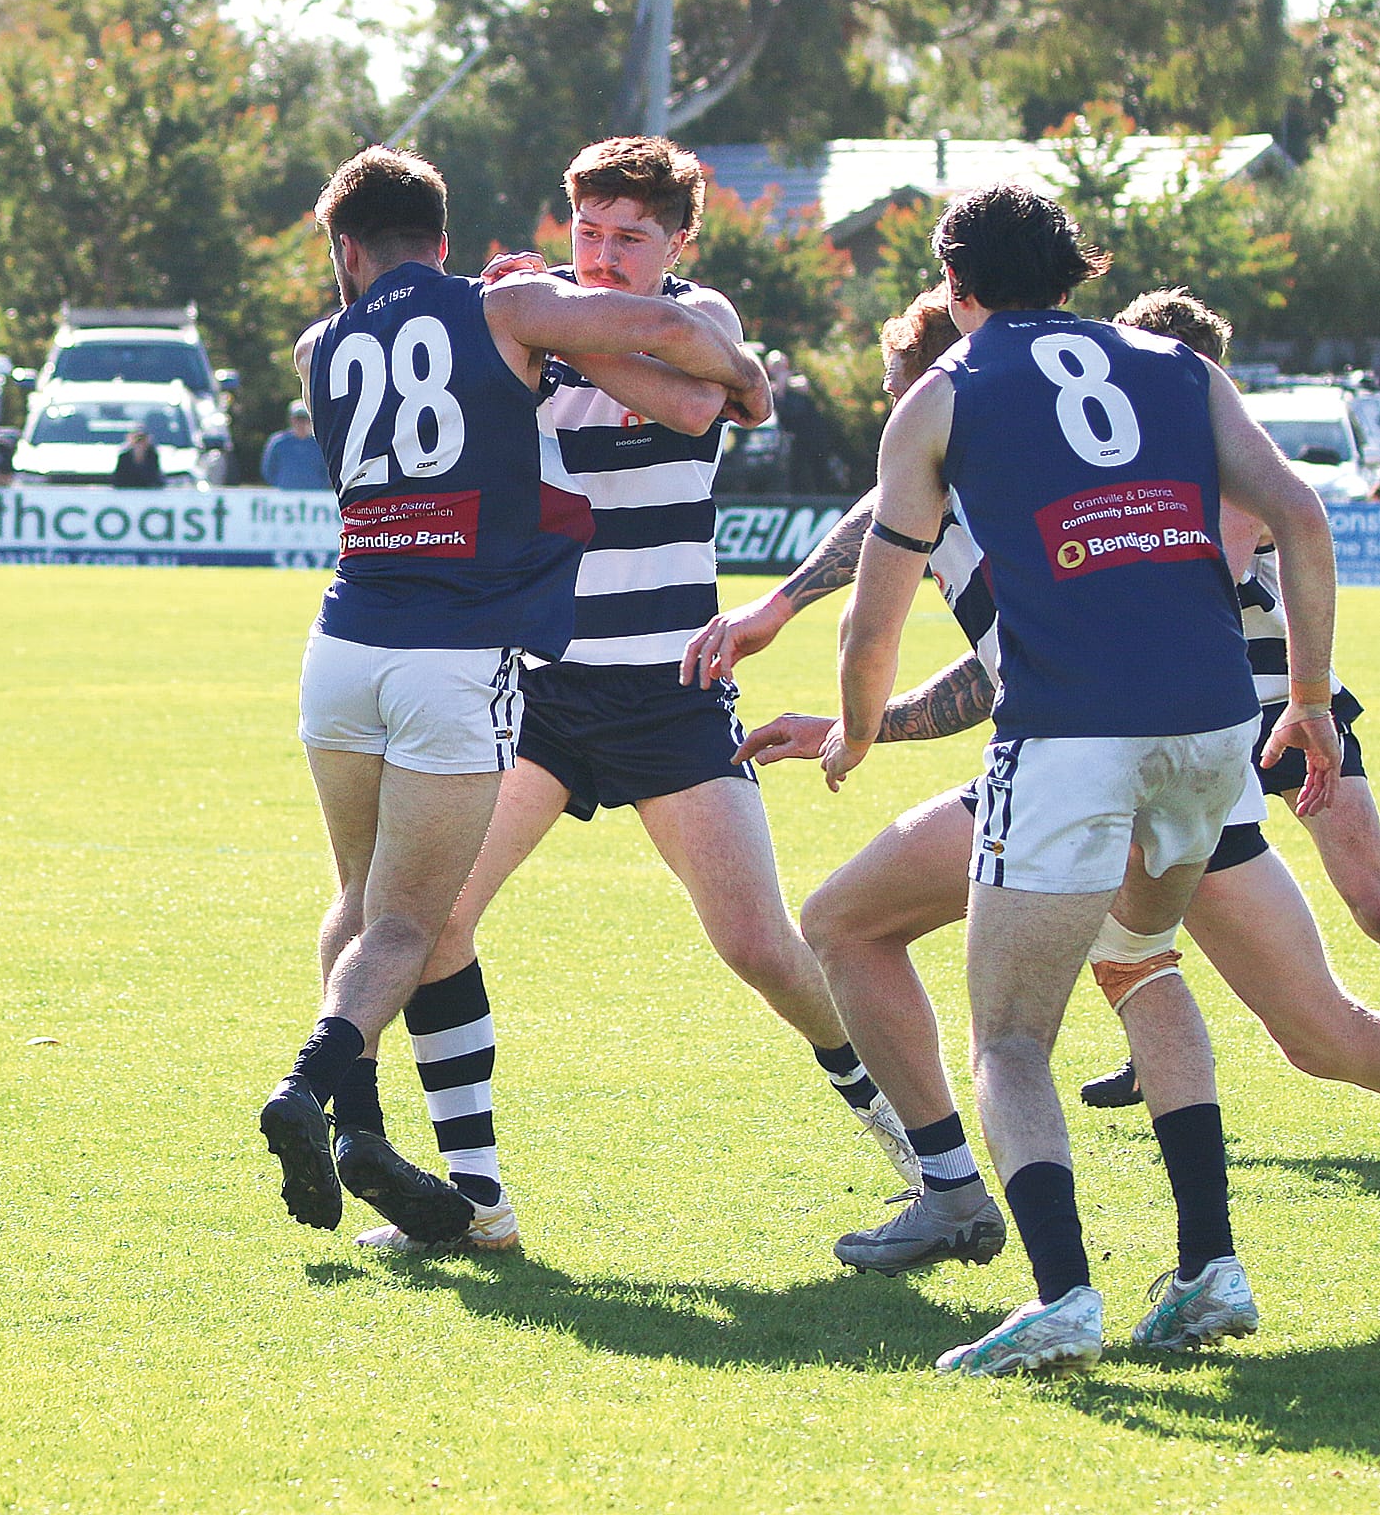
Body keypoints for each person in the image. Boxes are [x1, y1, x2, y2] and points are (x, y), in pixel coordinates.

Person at [710, 184, 1339, 1377]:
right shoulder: (1174, 363)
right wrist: (1304, 701)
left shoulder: (943, 396)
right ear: (1074, 272)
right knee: (1138, 958)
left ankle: (1059, 1296)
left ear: (955, 287)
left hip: (1067, 742)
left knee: (1006, 1036)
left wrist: (849, 734)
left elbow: (873, 626)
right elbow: (1299, 517)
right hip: (1212, 730)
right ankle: (1207, 1267)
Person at [337, 136, 918, 1258]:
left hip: (668, 691)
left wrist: (554, 322)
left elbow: (697, 409)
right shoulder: (530, 311)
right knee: (436, 919)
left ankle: (916, 1153)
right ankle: (475, 1205)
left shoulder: (701, 316)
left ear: (678, 246)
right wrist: (535, 316)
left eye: (628, 241)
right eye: (587, 236)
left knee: (756, 945)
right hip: (539, 691)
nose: (600, 259)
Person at [259, 144, 772, 1244]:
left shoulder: (318, 346)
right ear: (442, 243)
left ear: (342, 250)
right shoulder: (505, 308)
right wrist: (745, 380)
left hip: (339, 641)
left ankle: (360, 1130)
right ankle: (310, 1087)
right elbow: (685, 352)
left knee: (356, 902)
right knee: (409, 921)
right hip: (457, 656)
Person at [1080, 287, 1380, 1106]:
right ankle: (1152, 1054)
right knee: (1158, 878)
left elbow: (1210, 563)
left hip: (1289, 705)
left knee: (1369, 891)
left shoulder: (1233, 458)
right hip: (1199, 711)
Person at [765, 350, 834, 497]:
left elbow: (803, 386)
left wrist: (784, 384)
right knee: (795, 474)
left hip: (812, 434)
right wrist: (779, 388)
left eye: (780, 365)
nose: (778, 369)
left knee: (820, 471)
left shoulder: (795, 378)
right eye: (775, 366)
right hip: (792, 438)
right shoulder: (770, 387)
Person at [260, 401, 330, 490]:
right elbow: (267, 469)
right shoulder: (278, 442)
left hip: (314, 496)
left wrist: (321, 486)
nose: (301, 423)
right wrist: (279, 484)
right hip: (284, 496)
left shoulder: (320, 443)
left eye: (304, 419)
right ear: (291, 420)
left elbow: (327, 471)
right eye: (298, 419)